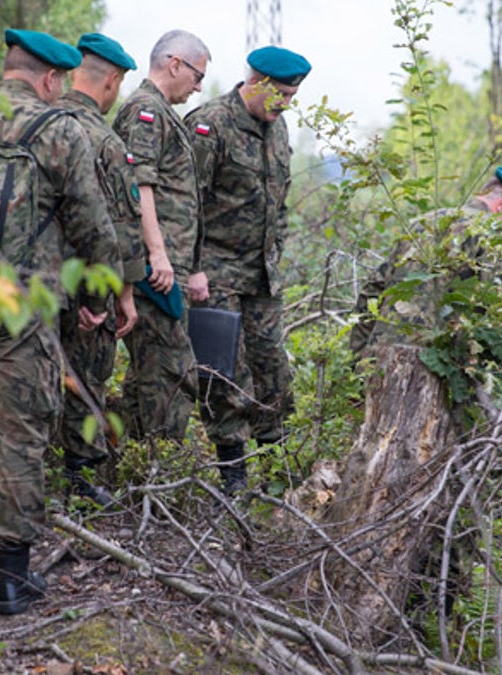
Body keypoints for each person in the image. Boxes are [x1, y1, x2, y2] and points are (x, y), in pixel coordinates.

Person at [0, 28, 121, 617]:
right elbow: (92, 225)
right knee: (20, 429)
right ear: (52, 79)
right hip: (26, 305)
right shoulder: (61, 129)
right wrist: (95, 298)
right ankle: (11, 577)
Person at [185, 45, 310, 494]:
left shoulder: (279, 130)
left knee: (274, 370)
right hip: (214, 272)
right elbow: (185, 203)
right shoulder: (210, 124)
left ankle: (279, 477)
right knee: (223, 377)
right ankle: (233, 479)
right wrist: (192, 268)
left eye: (291, 97)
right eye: (278, 95)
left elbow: (280, 202)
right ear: (254, 82)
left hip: (262, 276)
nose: (284, 105)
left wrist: (276, 252)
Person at [53, 33, 147, 506]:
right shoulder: (103, 138)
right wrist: (122, 294)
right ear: (111, 81)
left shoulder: (39, 122)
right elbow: (122, 226)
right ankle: (80, 476)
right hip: (88, 280)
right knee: (87, 373)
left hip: (30, 280)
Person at [112, 29, 211, 445]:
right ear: (175, 64)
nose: (199, 86)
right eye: (197, 75)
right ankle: (155, 470)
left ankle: (130, 471)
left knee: (150, 374)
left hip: (166, 268)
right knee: (172, 373)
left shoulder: (162, 112)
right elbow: (141, 185)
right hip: (155, 271)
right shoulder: (144, 111)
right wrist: (159, 254)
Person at [350, 166, 502, 355]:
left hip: (380, 358)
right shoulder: (492, 236)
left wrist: (359, 360)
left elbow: (372, 291)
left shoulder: (426, 221)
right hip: (428, 371)